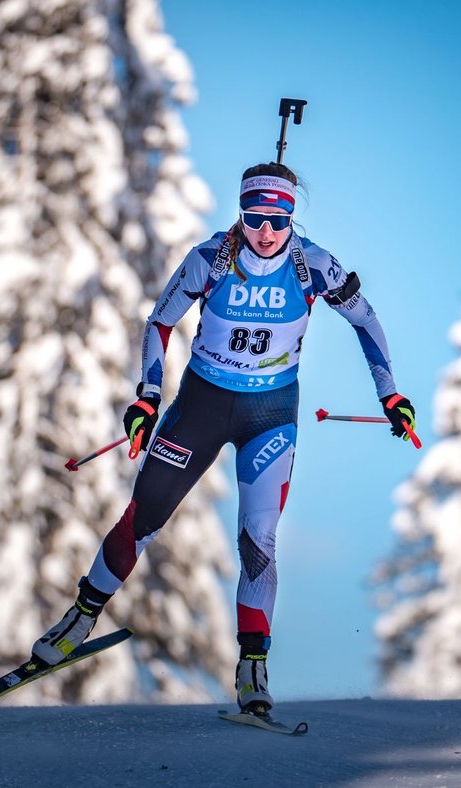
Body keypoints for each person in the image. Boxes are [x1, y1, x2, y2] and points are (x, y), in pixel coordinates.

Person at [32, 162, 416, 715]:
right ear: (241, 214)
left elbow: (367, 321)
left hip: (271, 415)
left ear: (291, 220)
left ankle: (253, 666)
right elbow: (159, 324)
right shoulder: (211, 259)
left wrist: (390, 395)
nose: (267, 232)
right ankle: (81, 617)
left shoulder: (314, 267)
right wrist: (147, 395)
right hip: (200, 409)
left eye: (279, 220)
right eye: (256, 218)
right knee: (144, 516)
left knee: (258, 538)